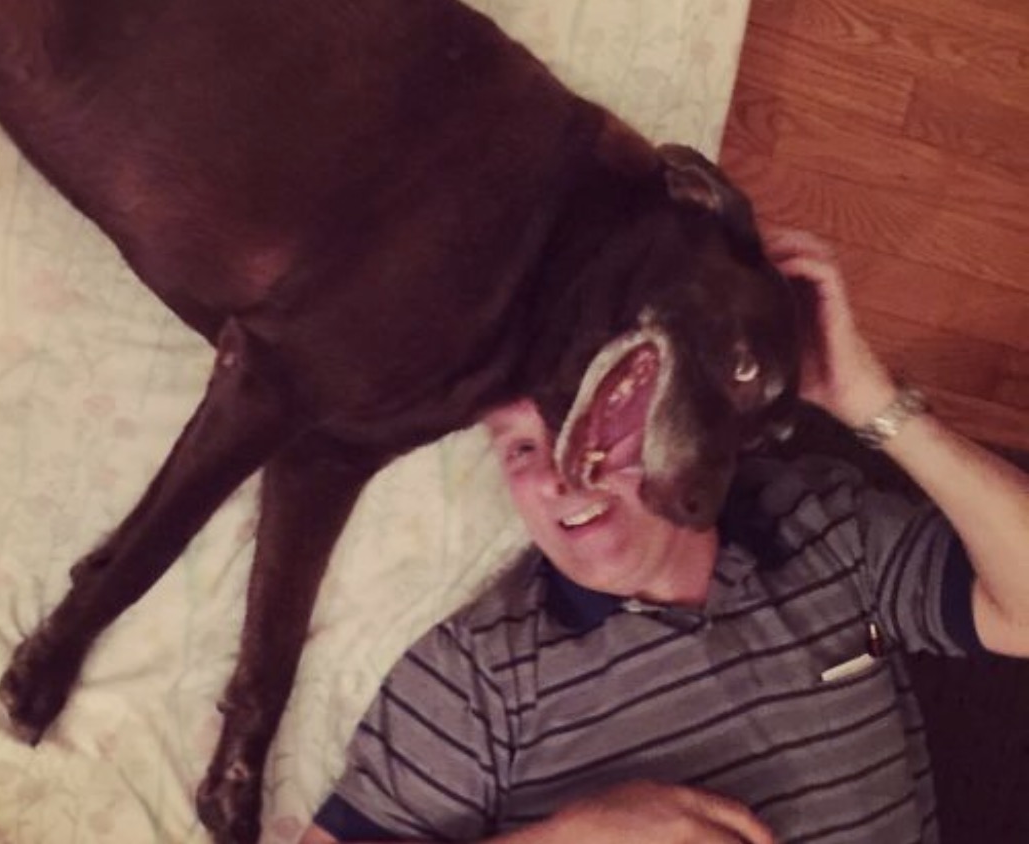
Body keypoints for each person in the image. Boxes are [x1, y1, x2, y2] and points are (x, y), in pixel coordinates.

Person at [299, 231, 1029, 844]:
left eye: (592, 418)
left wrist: (869, 400)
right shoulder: (474, 677)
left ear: (678, 410)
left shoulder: (821, 525)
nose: (561, 476)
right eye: (520, 447)